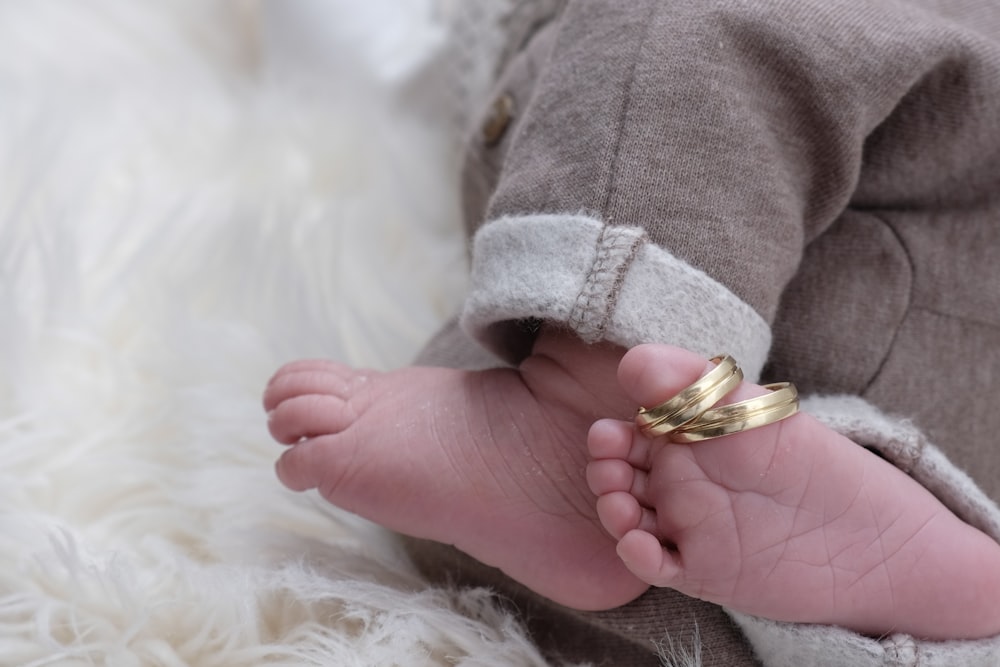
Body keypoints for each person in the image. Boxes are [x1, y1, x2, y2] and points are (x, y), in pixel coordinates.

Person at [263, 0, 1000, 664]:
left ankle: (580, 384)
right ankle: (925, 599)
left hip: (912, 162)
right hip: (912, 417)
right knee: (489, 489)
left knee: (521, 476)